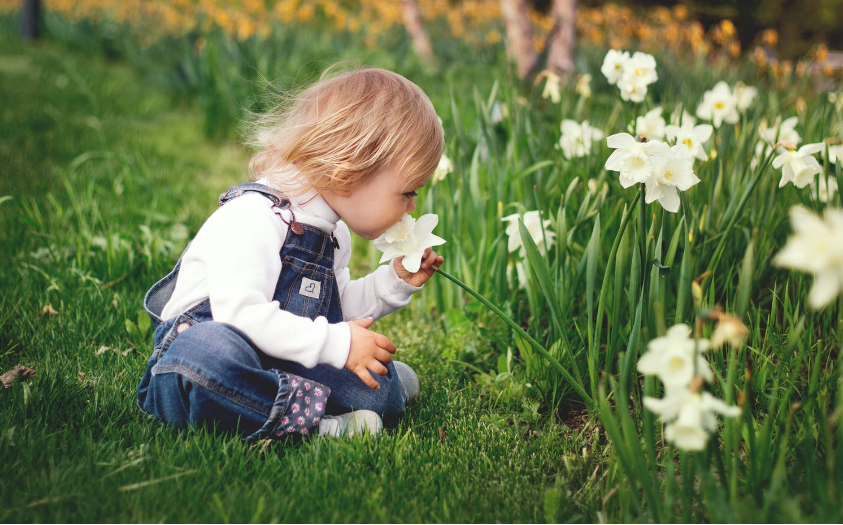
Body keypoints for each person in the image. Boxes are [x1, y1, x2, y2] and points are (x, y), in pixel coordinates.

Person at [137, 67, 444, 441]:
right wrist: (338, 344)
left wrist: (393, 282)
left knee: (380, 391)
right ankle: (317, 425)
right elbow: (240, 316)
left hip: (278, 355)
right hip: (208, 356)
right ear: (348, 172)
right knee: (207, 358)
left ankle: (333, 394)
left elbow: (334, 309)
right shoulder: (254, 216)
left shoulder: (333, 233)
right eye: (408, 192)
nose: (411, 207)